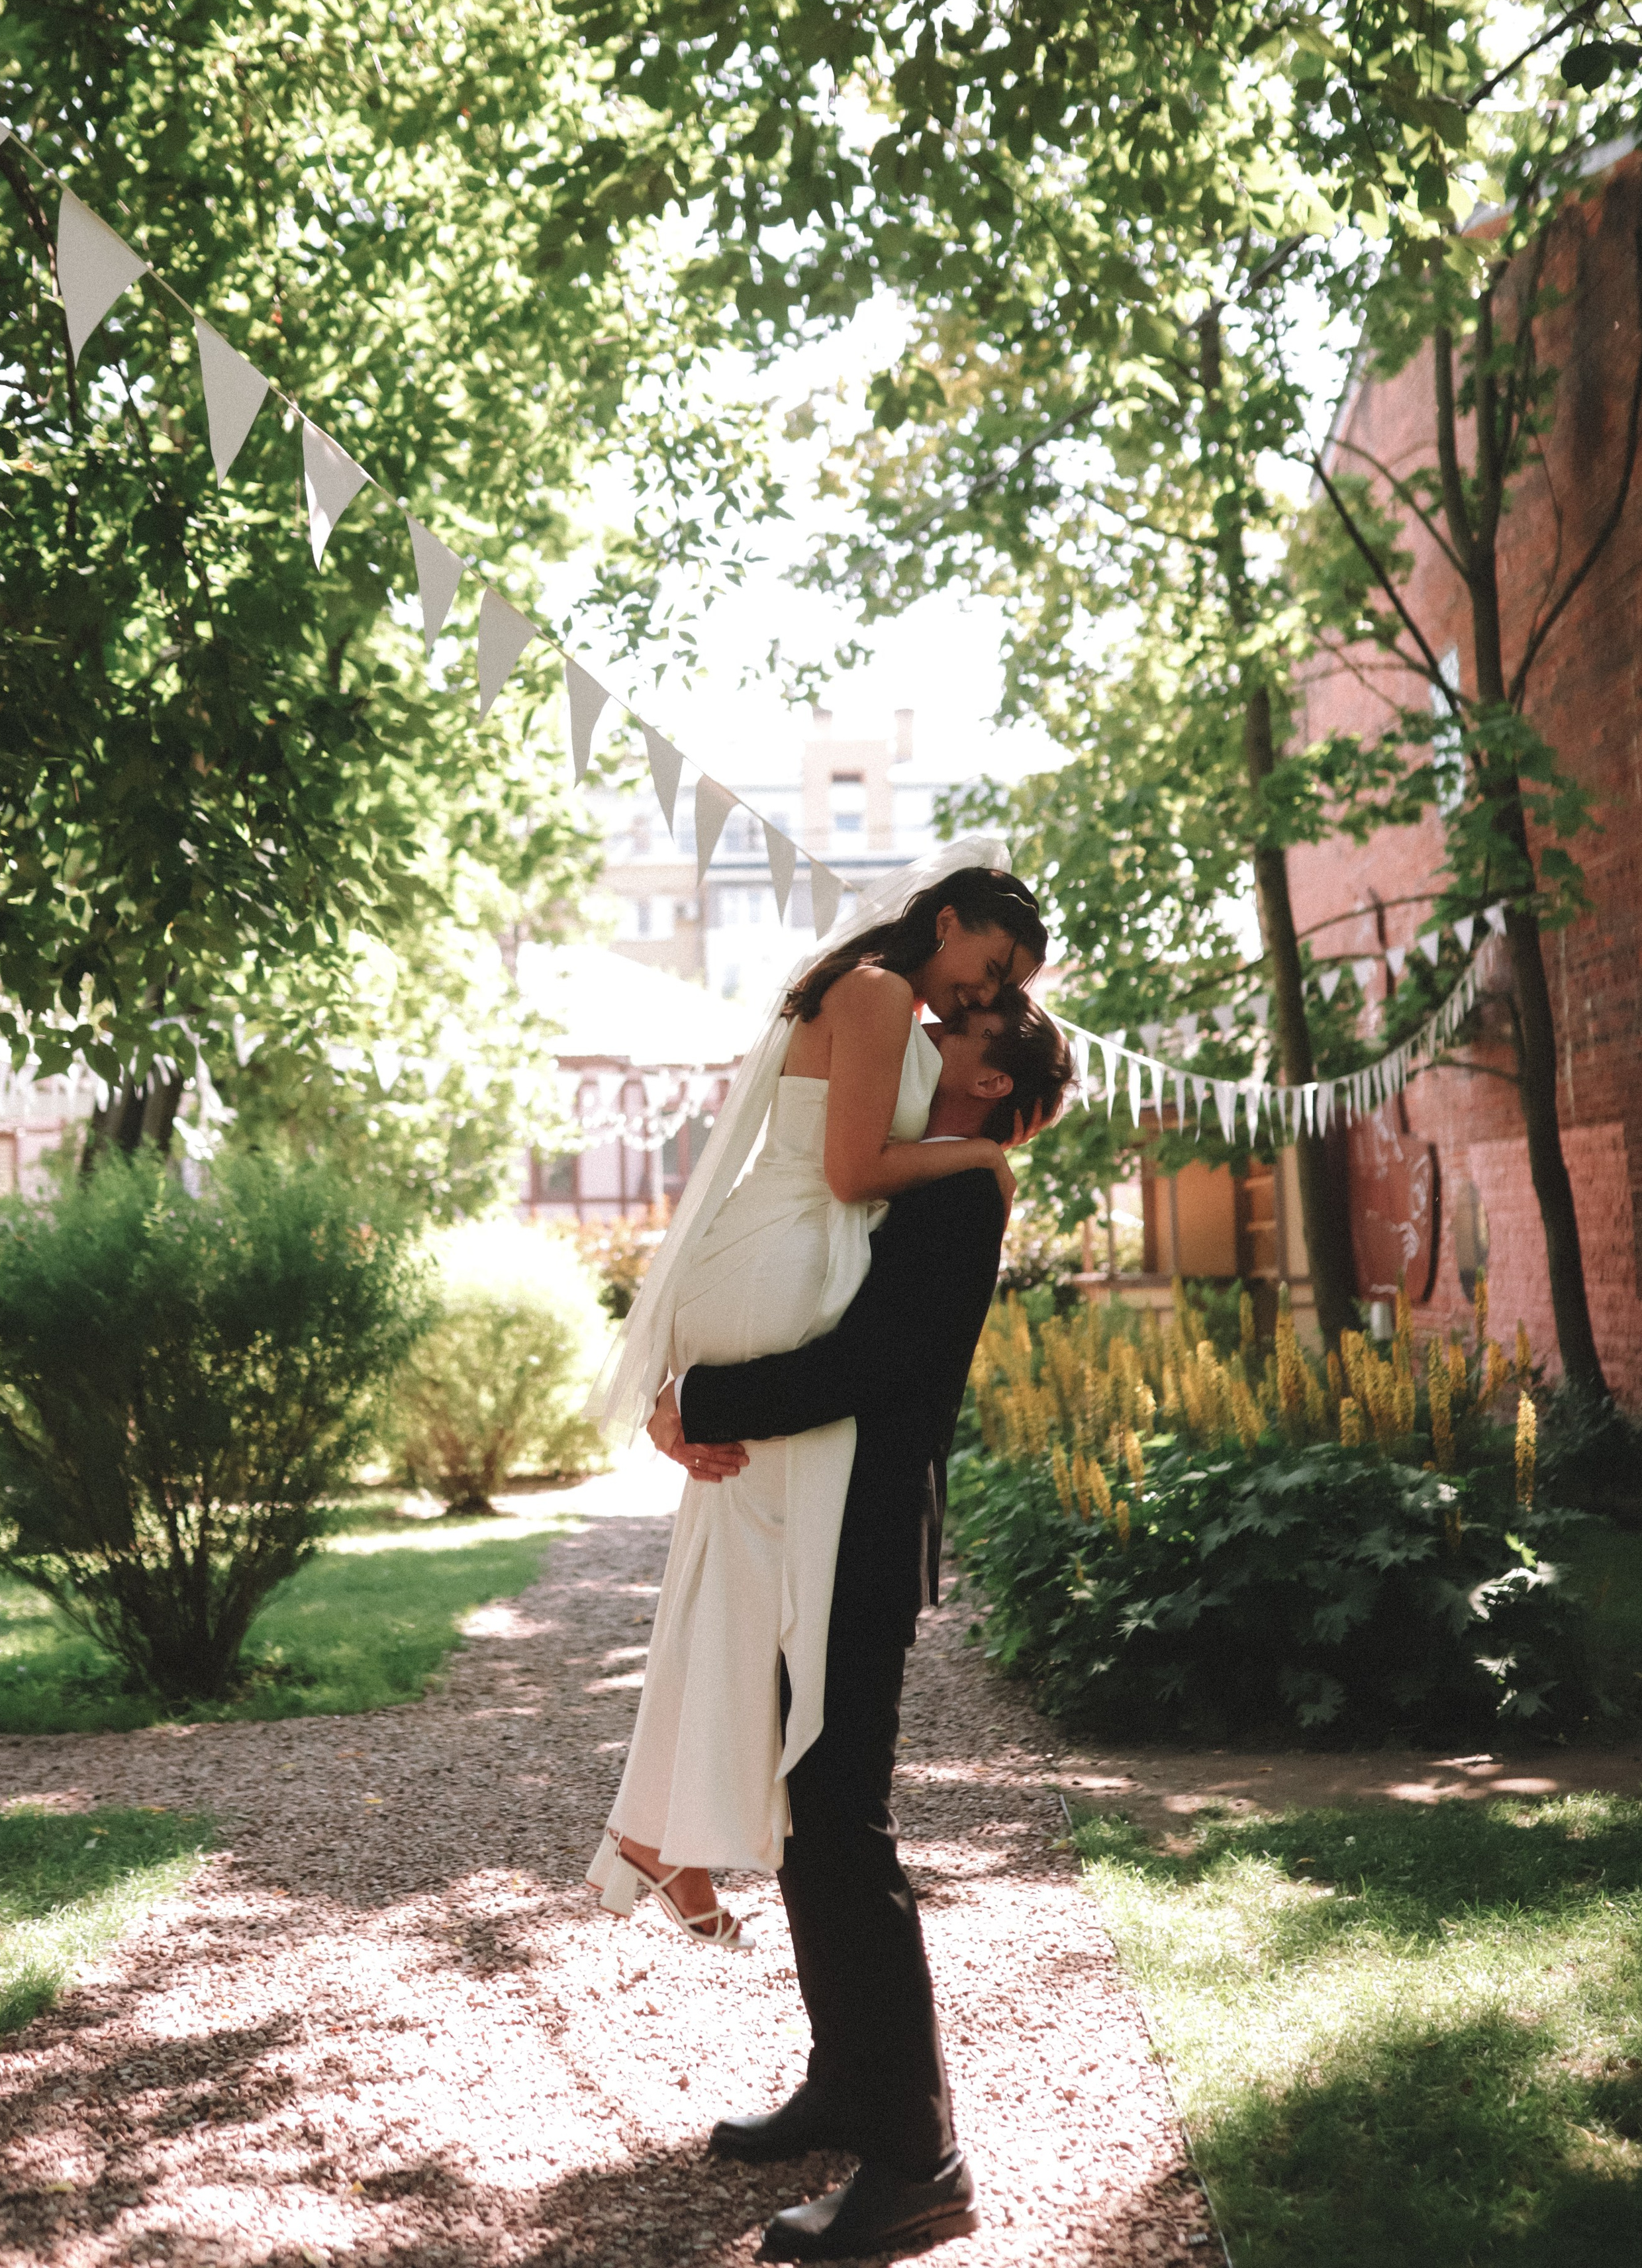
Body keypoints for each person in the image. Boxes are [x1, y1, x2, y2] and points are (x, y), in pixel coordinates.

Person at [649, 998, 1077, 2262]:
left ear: (992, 1081)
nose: (936, 1028)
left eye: (966, 1028)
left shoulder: (961, 1197)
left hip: (864, 1536)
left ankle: (921, 2161)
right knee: (806, 1809)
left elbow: (865, 1363)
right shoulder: (909, 1175)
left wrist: (704, 1395)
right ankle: (847, 2082)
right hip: (817, 1525)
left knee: (847, 1822)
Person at [584, 843, 1048, 1946]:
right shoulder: (886, 989)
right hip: (789, 1250)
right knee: (761, 1576)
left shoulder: (869, 986)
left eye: (1011, 985)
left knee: (733, 1565)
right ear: (946, 923)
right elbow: (852, 1173)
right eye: (993, 965)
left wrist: (694, 1399)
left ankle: (660, 1844)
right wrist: (979, 1164)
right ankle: (663, 1839)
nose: (992, 994)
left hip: (771, 1256)